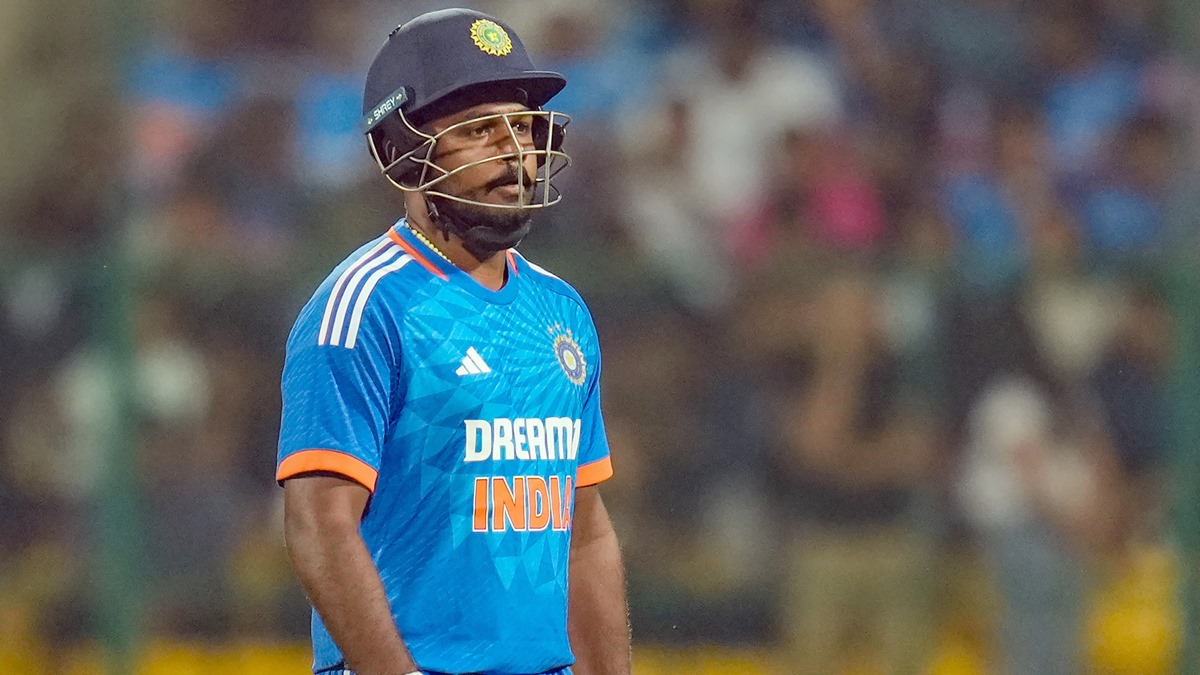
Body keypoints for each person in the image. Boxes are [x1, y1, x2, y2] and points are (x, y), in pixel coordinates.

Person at [275, 9, 630, 675]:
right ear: (399, 152)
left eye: (522, 126)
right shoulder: (362, 307)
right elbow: (320, 523)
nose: (514, 152)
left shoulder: (562, 310)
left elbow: (584, 532)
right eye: (477, 130)